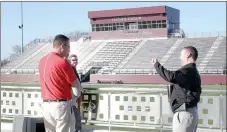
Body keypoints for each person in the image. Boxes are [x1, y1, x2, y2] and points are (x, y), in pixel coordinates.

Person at [152, 46, 201, 132]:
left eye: (181, 55)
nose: (180, 57)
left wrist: (157, 65)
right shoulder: (192, 70)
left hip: (184, 114)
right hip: (189, 113)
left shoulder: (188, 70)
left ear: (188, 55)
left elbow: (171, 77)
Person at [39, 34, 82, 132]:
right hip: (61, 106)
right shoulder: (63, 62)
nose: (69, 51)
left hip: (46, 105)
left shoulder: (42, 61)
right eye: (68, 47)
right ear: (62, 46)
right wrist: (76, 97)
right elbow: (76, 87)